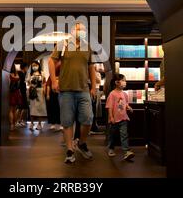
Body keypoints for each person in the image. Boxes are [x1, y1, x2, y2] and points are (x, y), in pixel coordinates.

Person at [49, 22, 96, 163]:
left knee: (88, 118)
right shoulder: (63, 44)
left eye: (83, 29)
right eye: (78, 29)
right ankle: (69, 150)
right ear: (72, 31)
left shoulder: (87, 46)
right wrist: (53, 81)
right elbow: (51, 61)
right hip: (66, 90)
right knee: (67, 121)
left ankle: (81, 143)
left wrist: (93, 86)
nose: (81, 31)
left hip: (84, 90)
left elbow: (91, 67)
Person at [106, 73, 135, 161]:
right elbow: (109, 106)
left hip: (123, 118)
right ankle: (111, 148)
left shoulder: (125, 94)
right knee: (112, 135)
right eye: (123, 80)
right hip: (114, 119)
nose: (125, 82)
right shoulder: (112, 94)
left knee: (124, 135)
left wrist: (128, 107)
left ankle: (126, 152)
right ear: (117, 82)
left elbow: (125, 104)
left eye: (125, 80)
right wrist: (111, 117)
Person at [27, 60, 47, 131]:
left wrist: (45, 91)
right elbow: (28, 83)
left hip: (40, 92)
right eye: (33, 66)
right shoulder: (30, 74)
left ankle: (39, 124)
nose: (34, 67)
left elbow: (44, 83)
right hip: (33, 92)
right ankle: (31, 123)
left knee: (40, 108)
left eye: (35, 65)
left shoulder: (42, 73)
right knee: (32, 108)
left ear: (38, 65)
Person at [9, 64, 22, 131]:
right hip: (17, 93)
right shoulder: (17, 75)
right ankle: (14, 124)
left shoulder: (8, 75)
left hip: (11, 93)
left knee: (10, 110)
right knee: (15, 110)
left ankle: (11, 125)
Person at [16, 62, 29, 128]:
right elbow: (20, 84)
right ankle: (17, 121)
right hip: (21, 92)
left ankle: (19, 121)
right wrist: (20, 92)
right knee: (21, 107)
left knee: (22, 107)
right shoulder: (21, 73)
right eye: (27, 67)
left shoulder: (21, 73)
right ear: (25, 67)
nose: (27, 68)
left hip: (22, 92)